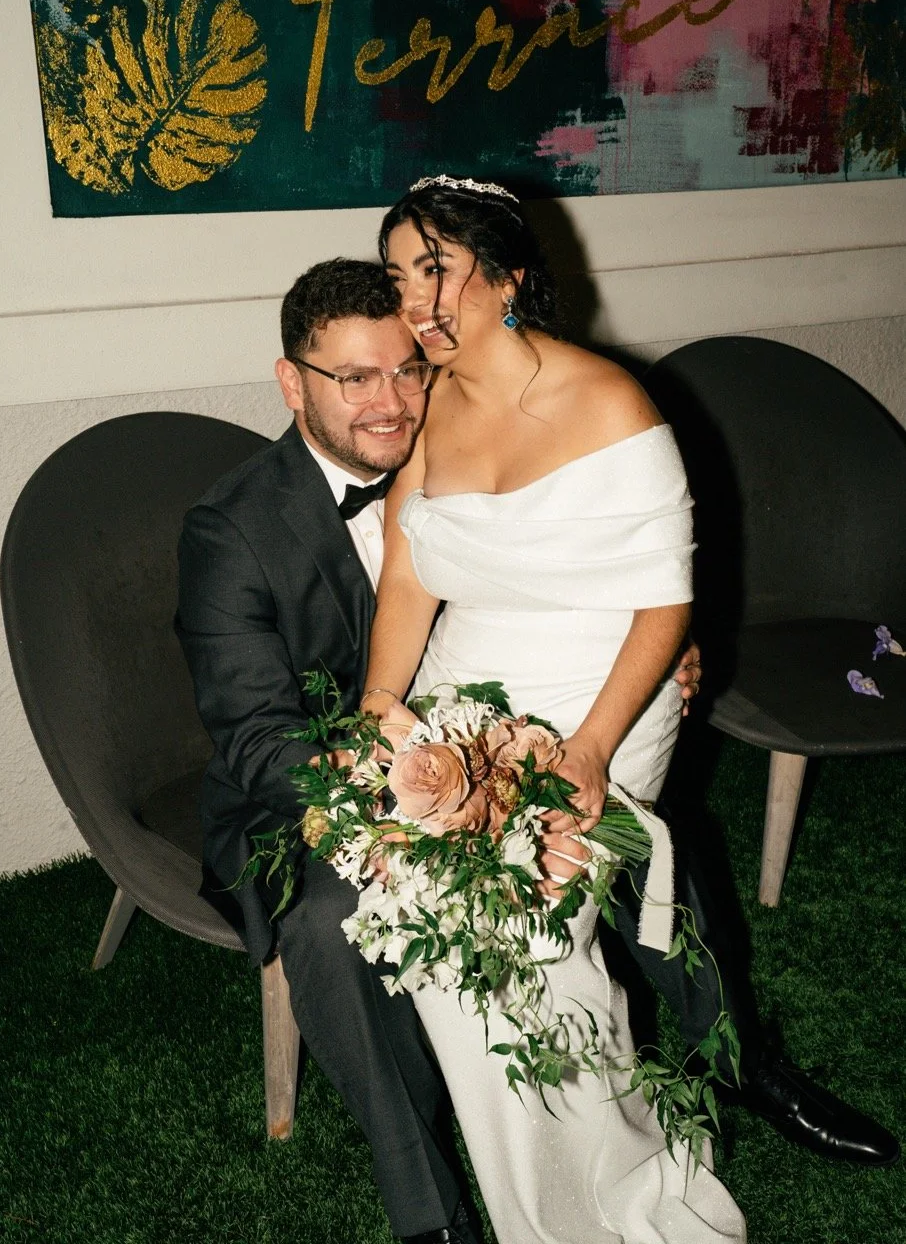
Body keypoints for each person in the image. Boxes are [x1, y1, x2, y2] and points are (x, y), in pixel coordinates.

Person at [362, 176, 900, 1239]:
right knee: (440, 951)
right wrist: (383, 699)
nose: (418, 297)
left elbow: (665, 602)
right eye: (399, 275)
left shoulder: (609, 403)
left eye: (437, 267)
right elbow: (410, 572)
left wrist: (593, 750)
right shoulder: (433, 401)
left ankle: (625, 1195)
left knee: (531, 944)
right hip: (463, 691)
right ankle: (544, 1204)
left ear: (508, 277)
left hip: (603, 694)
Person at [175, 256, 703, 1244]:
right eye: (354, 378)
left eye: (407, 369)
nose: (392, 402)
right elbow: (254, 735)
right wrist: (390, 804)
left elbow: (582, 569)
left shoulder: (464, 446)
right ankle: (432, 1213)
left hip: (482, 738)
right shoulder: (230, 531)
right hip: (307, 791)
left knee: (615, 800)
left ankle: (737, 1054)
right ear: (292, 382)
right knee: (335, 917)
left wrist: (650, 642)